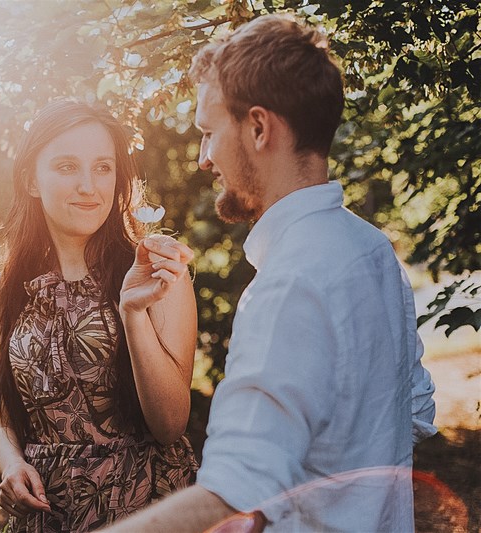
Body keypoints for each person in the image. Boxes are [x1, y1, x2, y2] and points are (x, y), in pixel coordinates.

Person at [103, 13, 436, 532]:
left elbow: (231, 492)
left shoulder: (288, 284)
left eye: (209, 133)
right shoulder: (371, 250)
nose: (203, 159)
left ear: (259, 128)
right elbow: (414, 411)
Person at [0, 99, 199, 532]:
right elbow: (6, 420)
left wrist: (133, 313)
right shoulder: (8, 287)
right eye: (67, 167)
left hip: (143, 506)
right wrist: (10, 466)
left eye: (103, 167)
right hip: (48, 515)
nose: (89, 186)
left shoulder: (156, 268)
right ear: (31, 179)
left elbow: (170, 425)